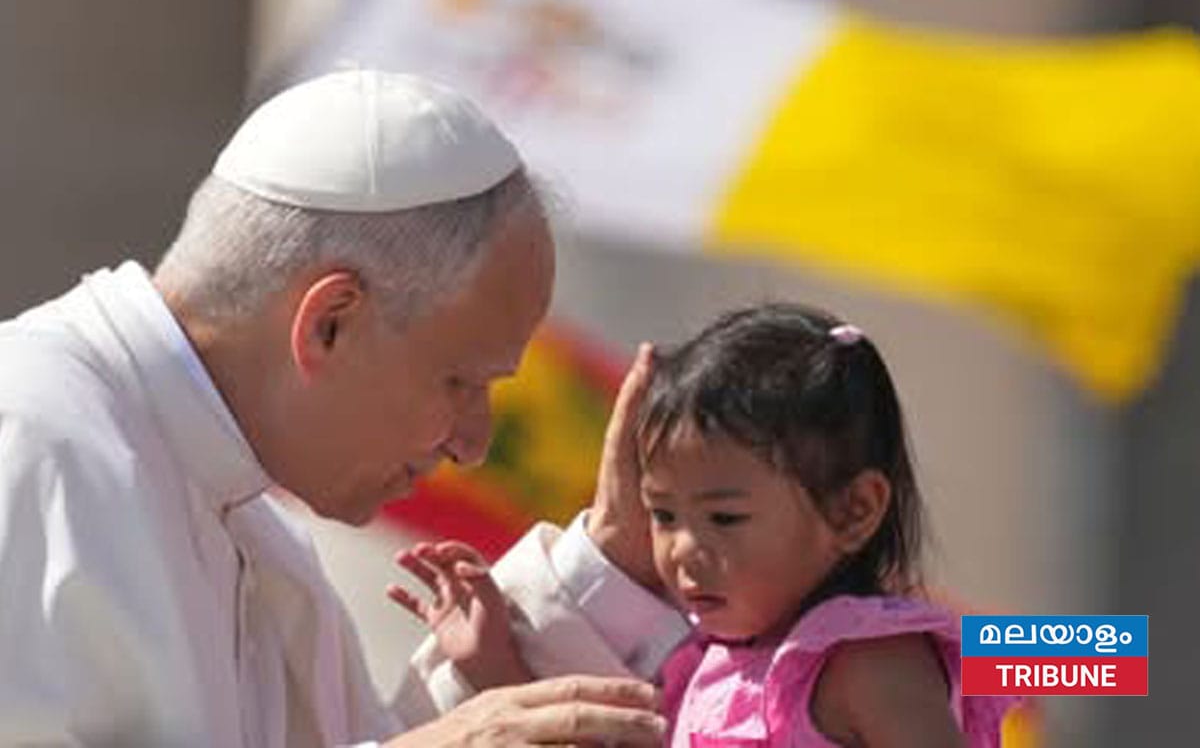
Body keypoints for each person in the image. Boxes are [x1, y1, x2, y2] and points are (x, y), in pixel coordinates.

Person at [0, 69, 673, 747]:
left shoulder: (252, 517)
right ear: (329, 322)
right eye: (461, 382)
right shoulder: (29, 435)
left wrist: (606, 563)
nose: (472, 444)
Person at [395, 303, 1022, 746]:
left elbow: (1101, 653)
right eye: (663, 515)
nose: (683, 551)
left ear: (853, 510)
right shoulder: (702, 661)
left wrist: (1110, 648)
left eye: (724, 517)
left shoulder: (866, 660)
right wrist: (492, 665)